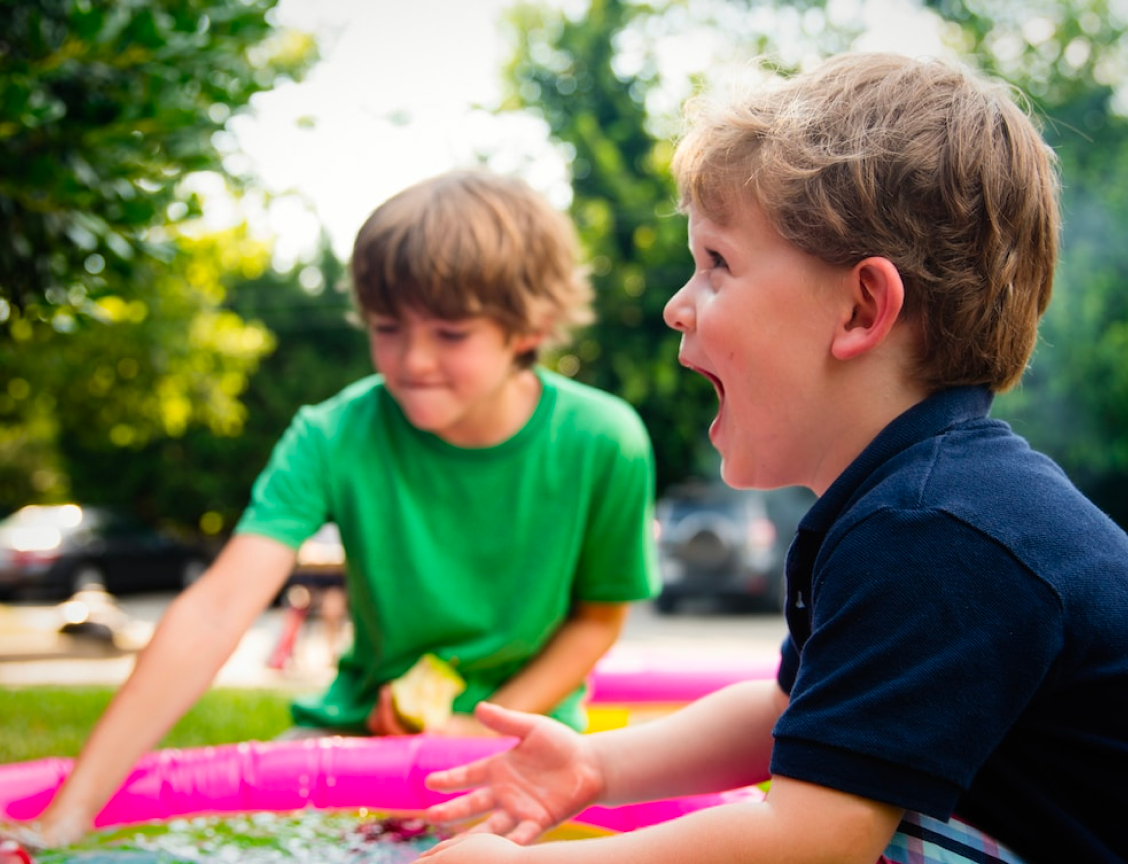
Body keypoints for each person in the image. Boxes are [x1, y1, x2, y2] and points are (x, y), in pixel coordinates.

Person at [414, 53, 1128, 864]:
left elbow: (810, 843)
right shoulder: (909, 504)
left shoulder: (940, 532)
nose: (676, 305)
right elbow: (790, 710)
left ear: (862, 308)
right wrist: (594, 765)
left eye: (717, 264)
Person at [33, 169, 661, 845]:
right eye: (387, 328)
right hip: (356, 732)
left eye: (450, 334)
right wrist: (69, 813)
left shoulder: (605, 441)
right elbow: (216, 610)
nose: (413, 360)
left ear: (529, 327)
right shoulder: (331, 434)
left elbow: (596, 621)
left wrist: (479, 725)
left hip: (524, 743)